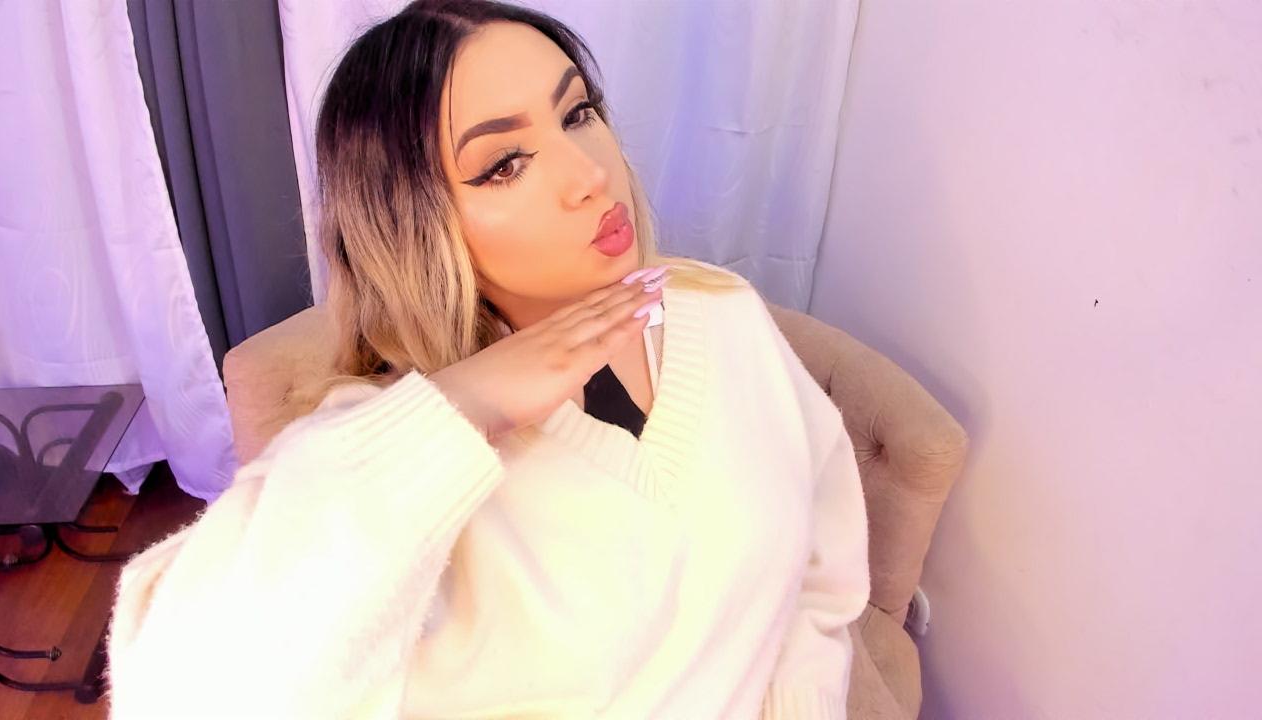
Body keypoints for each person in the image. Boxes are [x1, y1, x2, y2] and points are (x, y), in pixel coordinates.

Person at [104, 0, 870, 717]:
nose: (590, 175)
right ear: (413, 223)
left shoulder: (724, 314)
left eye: (577, 113)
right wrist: (465, 406)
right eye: (505, 163)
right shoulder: (383, 451)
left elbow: (821, 566)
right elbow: (186, 690)